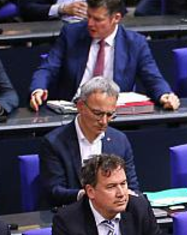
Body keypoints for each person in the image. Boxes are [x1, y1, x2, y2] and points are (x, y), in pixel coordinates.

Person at [29, 0, 181, 111]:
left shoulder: (135, 43)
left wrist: (165, 95)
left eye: (98, 19)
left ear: (116, 18)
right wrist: (38, 89)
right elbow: (48, 68)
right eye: (88, 16)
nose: (90, 23)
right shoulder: (71, 33)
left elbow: (152, 77)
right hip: (74, 111)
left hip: (112, 115)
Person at [39, 76, 141, 208]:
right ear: (81, 106)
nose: (104, 121)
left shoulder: (119, 140)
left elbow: (132, 187)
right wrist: (89, 196)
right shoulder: (54, 142)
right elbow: (54, 191)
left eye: (110, 115)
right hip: (72, 215)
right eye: (98, 113)